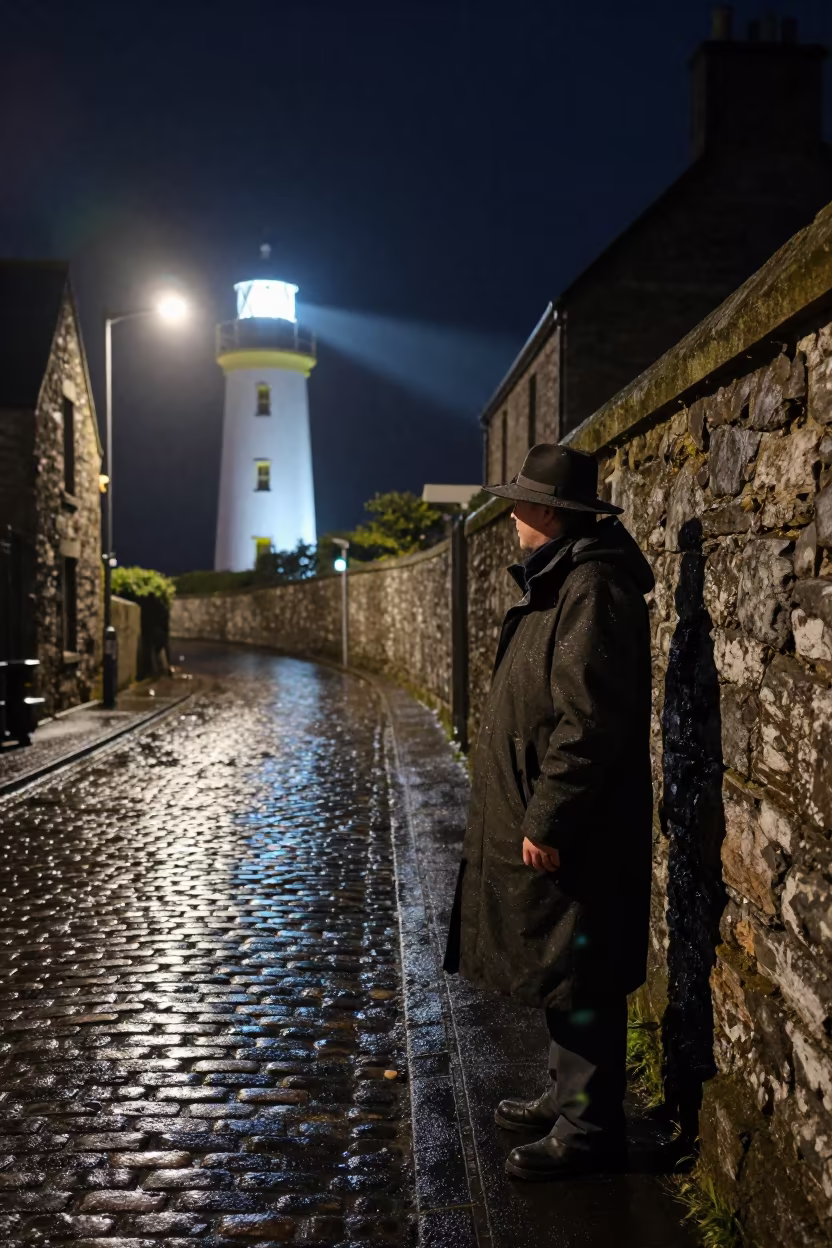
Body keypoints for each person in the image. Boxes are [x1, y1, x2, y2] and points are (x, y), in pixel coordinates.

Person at [444, 442, 654, 1181]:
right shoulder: (562, 578)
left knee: (581, 968)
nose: (508, 514)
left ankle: (590, 1129)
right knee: (560, 965)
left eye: (519, 502)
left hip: (579, 827)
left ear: (546, 513)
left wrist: (551, 815)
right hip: (556, 816)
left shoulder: (590, 587)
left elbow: (589, 718)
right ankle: (568, 1096)